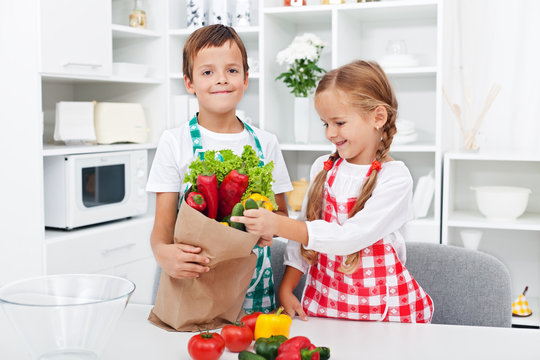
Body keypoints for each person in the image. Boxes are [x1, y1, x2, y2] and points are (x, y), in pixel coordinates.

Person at [232, 60, 434, 323]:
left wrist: (278, 224)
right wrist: (287, 287)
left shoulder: (394, 178)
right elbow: (303, 240)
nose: (330, 133)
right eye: (325, 124)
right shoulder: (322, 169)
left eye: (339, 122)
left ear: (378, 117)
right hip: (327, 309)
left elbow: (349, 237)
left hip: (385, 317)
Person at [146, 24, 292, 314]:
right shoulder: (174, 141)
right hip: (195, 283)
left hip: (254, 290)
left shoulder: (266, 143)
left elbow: (282, 215)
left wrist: (270, 228)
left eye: (232, 70)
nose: (222, 80)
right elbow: (162, 226)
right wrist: (162, 253)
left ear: (246, 78)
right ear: (189, 83)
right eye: (208, 72)